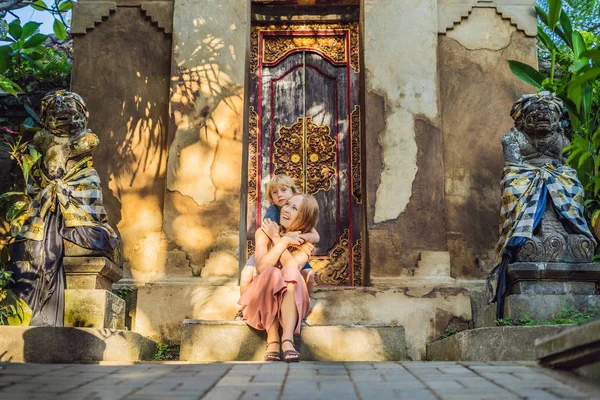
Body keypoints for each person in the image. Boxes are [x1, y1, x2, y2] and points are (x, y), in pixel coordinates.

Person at [238, 194, 319, 362]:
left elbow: (293, 270)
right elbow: (262, 267)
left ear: (304, 218)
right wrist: (281, 241)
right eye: (287, 204)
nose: (287, 209)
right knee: (273, 273)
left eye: (294, 208)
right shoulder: (264, 232)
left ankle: (287, 340)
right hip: (260, 305)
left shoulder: (305, 243)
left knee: (289, 272)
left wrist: (277, 239)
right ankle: (273, 338)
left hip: (292, 305)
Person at [240, 175, 319, 296]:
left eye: (283, 190)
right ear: (271, 198)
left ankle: (304, 302)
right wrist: (285, 239)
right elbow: (269, 232)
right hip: (270, 249)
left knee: (309, 274)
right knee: (246, 274)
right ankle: (244, 305)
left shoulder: (300, 209)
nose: (279, 195)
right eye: (275, 193)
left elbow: (316, 236)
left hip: (291, 252)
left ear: (293, 192)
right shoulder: (273, 212)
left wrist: (299, 238)